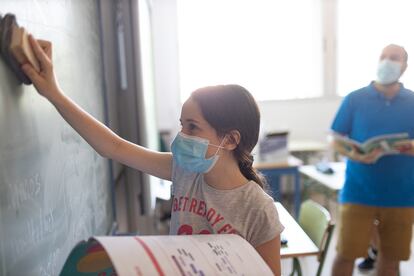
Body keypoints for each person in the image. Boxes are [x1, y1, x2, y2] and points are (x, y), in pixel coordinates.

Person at [21, 35, 284, 275]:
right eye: (182, 125)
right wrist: (53, 93)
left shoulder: (258, 210)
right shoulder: (184, 172)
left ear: (230, 139)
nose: (182, 136)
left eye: (193, 127)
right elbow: (112, 147)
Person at [330, 44, 414, 276]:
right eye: (383, 56)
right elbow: (336, 139)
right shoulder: (355, 99)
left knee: (390, 262)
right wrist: (355, 153)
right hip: (358, 192)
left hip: (402, 195)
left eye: (394, 58)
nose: (387, 61)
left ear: (404, 66)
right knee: (345, 255)